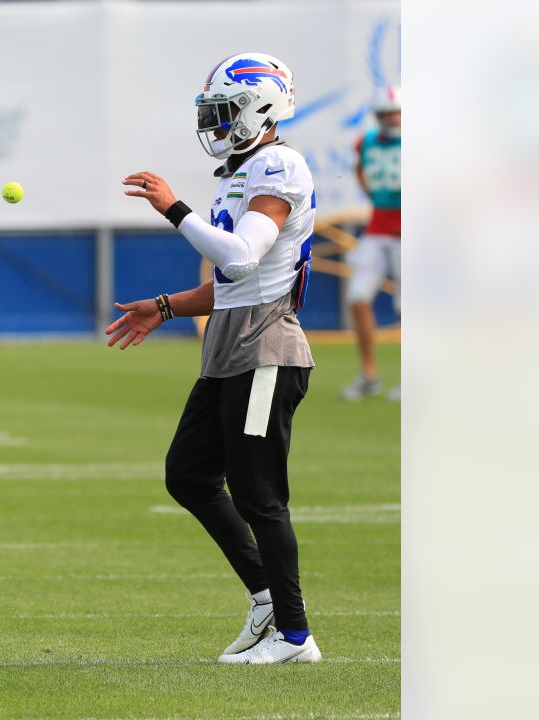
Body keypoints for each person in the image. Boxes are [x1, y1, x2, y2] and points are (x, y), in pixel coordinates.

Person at [105, 53, 322, 664]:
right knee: (189, 475)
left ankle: (295, 635)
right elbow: (230, 283)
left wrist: (174, 209)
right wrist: (164, 305)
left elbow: (242, 258)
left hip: (266, 348)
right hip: (232, 343)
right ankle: (264, 597)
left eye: (226, 110)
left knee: (259, 494)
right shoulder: (242, 168)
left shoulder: (279, 164)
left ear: (262, 108)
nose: (218, 123)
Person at [342, 86, 402, 401]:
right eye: (386, 114)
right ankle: (369, 375)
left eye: (397, 112)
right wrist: (375, 196)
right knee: (357, 296)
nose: (392, 119)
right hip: (379, 227)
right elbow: (360, 169)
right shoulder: (366, 140)